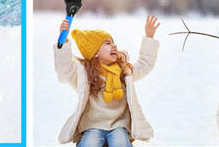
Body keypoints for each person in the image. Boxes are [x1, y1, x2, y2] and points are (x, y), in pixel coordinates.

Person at [54, 16, 160, 147]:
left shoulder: (124, 71)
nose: (114, 45)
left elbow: (145, 64)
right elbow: (64, 69)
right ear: (95, 53)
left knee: (120, 143)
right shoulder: (84, 74)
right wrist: (62, 41)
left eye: (113, 42)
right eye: (107, 43)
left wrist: (149, 37)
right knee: (89, 144)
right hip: (91, 126)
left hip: (119, 125)